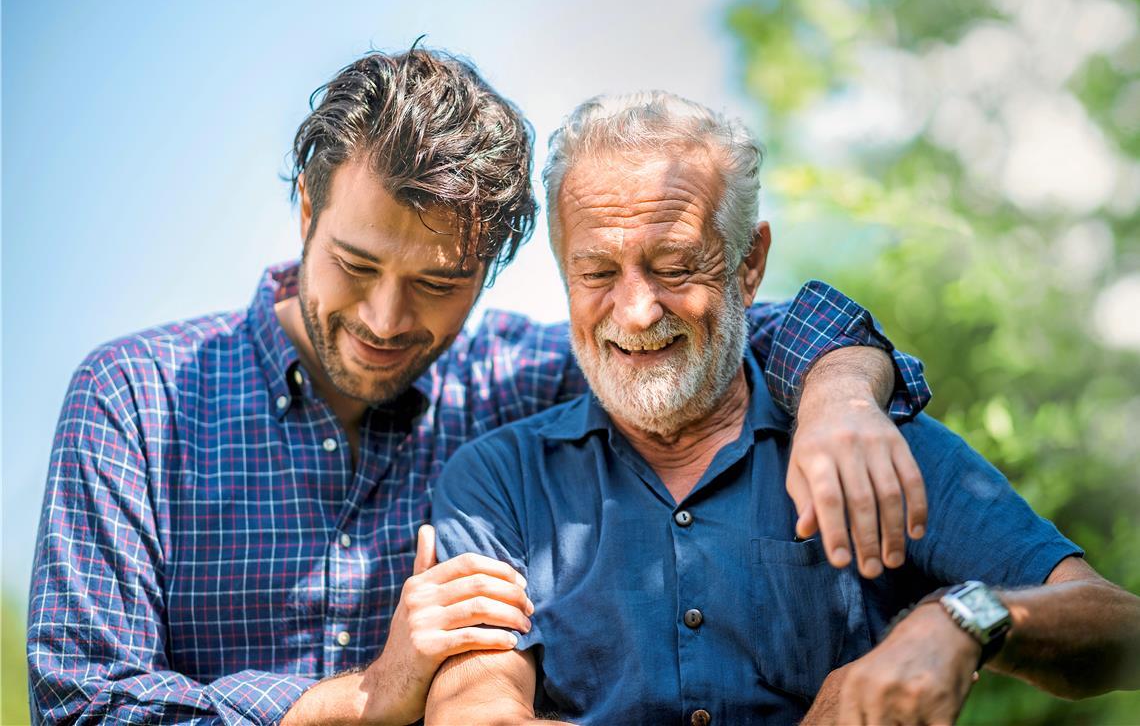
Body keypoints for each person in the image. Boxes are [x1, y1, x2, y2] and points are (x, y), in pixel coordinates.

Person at [26, 49, 930, 726]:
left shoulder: (517, 379)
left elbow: (714, 333)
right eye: (354, 264)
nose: (385, 319)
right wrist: (358, 698)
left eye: (435, 285)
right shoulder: (134, 400)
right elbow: (81, 706)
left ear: (491, 271)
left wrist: (842, 392)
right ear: (307, 211)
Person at [426, 91, 1140, 725]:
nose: (638, 312)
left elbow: (1119, 630)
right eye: (597, 273)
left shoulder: (864, 440)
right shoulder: (499, 480)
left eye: (675, 266)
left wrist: (961, 618)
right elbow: (474, 710)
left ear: (749, 263)